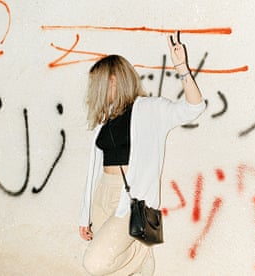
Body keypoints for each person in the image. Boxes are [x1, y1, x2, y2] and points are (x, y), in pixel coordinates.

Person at [78, 31, 205, 276]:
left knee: (95, 263)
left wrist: (182, 69)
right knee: (110, 264)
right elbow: (92, 171)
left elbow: (194, 108)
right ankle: (141, 262)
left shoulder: (150, 110)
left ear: (114, 81)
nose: (95, 90)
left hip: (133, 198)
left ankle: (142, 254)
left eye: (99, 84)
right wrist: (85, 214)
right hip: (104, 193)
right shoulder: (104, 118)